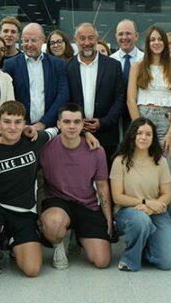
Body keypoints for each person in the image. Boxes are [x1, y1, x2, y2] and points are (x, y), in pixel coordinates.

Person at [0, 101, 59, 278]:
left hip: (24, 212)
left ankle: (12, 242)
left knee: (32, 270)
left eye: (18, 122)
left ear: (25, 123)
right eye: (7, 121)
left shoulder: (34, 139)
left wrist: (86, 133)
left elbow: (58, 129)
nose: (12, 127)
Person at [39, 103, 113, 270]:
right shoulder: (45, 147)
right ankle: (58, 245)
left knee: (102, 261)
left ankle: (77, 235)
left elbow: (102, 186)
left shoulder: (96, 150)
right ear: (58, 124)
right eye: (66, 122)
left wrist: (108, 218)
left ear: (82, 125)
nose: (72, 126)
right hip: (57, 202)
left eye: (76, 122)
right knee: (54, 225)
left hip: (87, 204)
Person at [127, 25, 171, 212]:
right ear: (147, 43)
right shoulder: (137, 66)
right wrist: (139, 128)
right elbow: (130, 100)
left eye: (160, 39)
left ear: (165, 43)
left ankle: (168, 215)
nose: (156, 43)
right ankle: (143, 211)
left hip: (166, 120)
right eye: (152, 40)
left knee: (168, 169)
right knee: (143, 166)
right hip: (143, 117)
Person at [110, 118, 171, 272]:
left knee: (167, 262)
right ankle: (130, 260)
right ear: (132, 135)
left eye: (148, 134)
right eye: (139, 133)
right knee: (141, 220)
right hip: (128, 211)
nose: (143, 137)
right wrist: (145, 202)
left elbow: (167, 194)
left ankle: (145, 247)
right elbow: (117, 197)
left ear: (153, 138)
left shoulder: (161, 161)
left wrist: (151, 208)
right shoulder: (120, 161)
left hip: (156, 211)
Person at [66, 23, 126, 168]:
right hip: (76, 135)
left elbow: (120, 99)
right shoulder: (67, 66)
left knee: (105, 176)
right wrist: (78, 123)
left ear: (97, 39)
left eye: (91, 38)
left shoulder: (113, 66)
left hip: (107, 135)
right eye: (82, 38)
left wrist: (103, 122)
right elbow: (65, 100)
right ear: (75, 40)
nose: (87, 42)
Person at [3, 23, 69, 130]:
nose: (29, 44)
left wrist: (44, 123)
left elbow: (63, 96)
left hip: (49, 128)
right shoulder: (10, 65)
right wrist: (21, 123)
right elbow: (7, 98)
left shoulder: (57, 64)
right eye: (25, 40)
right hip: (19, 128)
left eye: (33, 40)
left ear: (43, 40)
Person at [110, 19, 144, 83]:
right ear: (116, 37)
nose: (124, 37)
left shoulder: (145, 59)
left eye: (128, 33)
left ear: (136, 36)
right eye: (120, 34)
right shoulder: (110, 60)